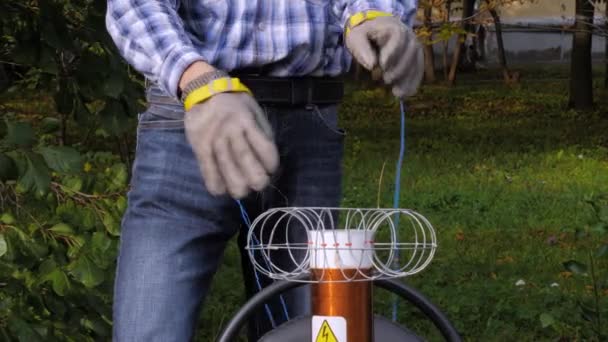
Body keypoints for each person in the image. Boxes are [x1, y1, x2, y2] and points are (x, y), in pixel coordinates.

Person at [105, 0, 423, 340]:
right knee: (150, 329)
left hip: (309, 125)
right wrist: (197, 80)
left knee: (311, 331)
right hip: (193, 121)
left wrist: (372, 13)